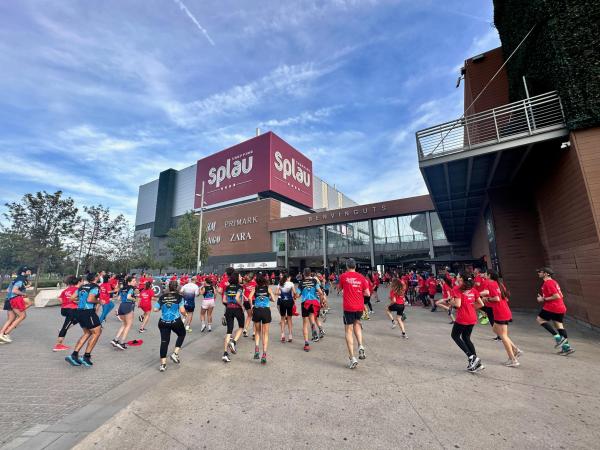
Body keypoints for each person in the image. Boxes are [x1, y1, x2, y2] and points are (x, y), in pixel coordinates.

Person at [449, 273, 485, 372]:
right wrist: (471, 308)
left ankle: (471, 357)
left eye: (458, 276)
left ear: (461, 279)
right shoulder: (473, 290)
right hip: (472, 317)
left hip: (462, 317)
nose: (456, 277)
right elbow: (481, 304)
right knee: (466, 337)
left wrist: (450, 302)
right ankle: (477, 363)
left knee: (455, 336)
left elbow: (458, 304)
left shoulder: (457, 289)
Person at [65, 272, 102, 367]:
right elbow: (90, 300)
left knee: (87, 333)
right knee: (97, 332)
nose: (99, 277)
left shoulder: (82, 287)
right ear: (95, 278)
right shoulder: (95, 287)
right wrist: (99, 301)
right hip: (88, 312)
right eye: (98, 276)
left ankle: (74, 355)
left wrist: (81, 302)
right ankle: (86, 357)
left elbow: (71, 298)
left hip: (79, 312)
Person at [337, 258, 369, 369]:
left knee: (348, 331)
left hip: (348, 307)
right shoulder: (361, 277)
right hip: (359, 306)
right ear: (355, 266)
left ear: (347, 266)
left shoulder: (343, 276)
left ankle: (352, 358)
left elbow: (339, 289)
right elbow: (367, 293)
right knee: (357, 324)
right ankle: (360, 345)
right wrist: (358, 292)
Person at [486, 270, 522, 367]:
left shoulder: (491, 284)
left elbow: (496, 298)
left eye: (486, 274)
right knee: (495, 329)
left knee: (503, 336)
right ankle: (515, 350)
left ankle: (513, 359)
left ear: (489, 275)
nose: (485, 275)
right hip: (503, 309)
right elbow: (505, 297)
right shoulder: (499, 284)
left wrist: (487, 299)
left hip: (500, 312)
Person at [535, 267, 574, 355]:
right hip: (560, 307)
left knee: (540, 319)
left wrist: (543, 299)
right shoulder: (553, 282)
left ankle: (558, 338)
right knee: (559, 325)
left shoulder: (548, 283)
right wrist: (545, 297)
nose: (538, 273)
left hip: (552, 307)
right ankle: (567, 348)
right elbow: (561, 295)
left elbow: (557, 296)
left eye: (540, 272)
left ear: (546, 274)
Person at [154, 280, 188, 372]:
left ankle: (163, 365)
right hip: (175, 321)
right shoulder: (179, 297)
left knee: (164, 342)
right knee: (182, 334)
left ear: (169, 287)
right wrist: (186, 314)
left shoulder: (162, 297)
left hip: (163, 322)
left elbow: (155, 309)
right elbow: (182, 310)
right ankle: (175, 353)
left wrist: (162, 307)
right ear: (177, 288)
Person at [0, 266, 32, 343]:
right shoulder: (21, 279)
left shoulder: (17, 278)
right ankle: (5, 333)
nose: (30, 272)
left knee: (11, 318)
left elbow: (8, 289)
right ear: (24, 272)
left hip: (8, 299)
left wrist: (26, 286)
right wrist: (24, 294)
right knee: (22, 315)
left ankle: (1, 334)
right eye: (28, 271)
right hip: (14, 299)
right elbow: (14, 290)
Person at [53, 275, 81, 351]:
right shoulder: (77, 290)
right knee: (65, 327)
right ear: (77, 282)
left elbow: (60, 299)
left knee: (80, 318)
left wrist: (66, 302)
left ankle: (64, 329)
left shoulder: (66, 290)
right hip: (71, 310)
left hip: (64, 309)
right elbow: (77, 300)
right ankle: (58, 345)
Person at [298, 267, 324, 352]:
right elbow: (320, 293)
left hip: (305, 303)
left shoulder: (301, 283)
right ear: (310, 273)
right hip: (313, 302)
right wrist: (321, 302)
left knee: (305, 323)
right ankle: (313, 327)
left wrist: (295, 295)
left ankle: (306, 344)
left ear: (303, 274)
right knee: (312, 317)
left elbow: (297, 295)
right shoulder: (314, 281)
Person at [252, 274, 276, 364]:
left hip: (257, 310)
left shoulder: (255, 288)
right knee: (265, 333)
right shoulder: (268, 288)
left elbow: (250, 298)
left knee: (257, 331)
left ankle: (256, 349)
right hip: (266, 311)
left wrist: (253, 305)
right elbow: (273, 299)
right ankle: (264, 355)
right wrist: (268, 298)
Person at [222, 271, 244, 362]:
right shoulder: (240, 287)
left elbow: (224, 300)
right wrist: (241, 306)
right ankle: (233, 342)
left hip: (228, 309)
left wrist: (229, 304)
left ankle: (225, 354)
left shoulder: (227, 287)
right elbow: (237, 298)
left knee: (229, 331)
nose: (241, 278)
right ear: (237, 278)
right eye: (240, 276)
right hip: (237, 309)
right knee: (241, 327)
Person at [112, 276, 137, 350]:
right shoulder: (131, 288)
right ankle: (122, 343)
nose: (135, 282)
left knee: (124, 324)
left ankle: (115, 340)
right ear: (129, 282)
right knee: (129, 325)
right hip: (128, 305)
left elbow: (118, 298)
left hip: (121, 306)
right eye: (133, 281)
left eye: (135, 281)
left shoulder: (122, 288)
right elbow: (129, 297)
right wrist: (134, 299)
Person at [275, 272, 295, 343]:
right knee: (289, 319)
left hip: (282, 302)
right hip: (289, 302)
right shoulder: (291, 284)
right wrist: (294, 297)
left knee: (282, 318)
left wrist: (282, 293)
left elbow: (276, 293)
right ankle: (290, 335)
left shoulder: (280, 283)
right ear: (288, 278)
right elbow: (294, 293)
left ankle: (282, 335)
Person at [242, 272, 257, 338]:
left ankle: (245, 329)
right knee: (255, 317)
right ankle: (254, 332)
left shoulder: (245, 284)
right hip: (253, 300)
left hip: (246, 301)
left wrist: (244, 299)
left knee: (249, 316)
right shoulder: (255, 283)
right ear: (253, 277)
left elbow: (242, 292)